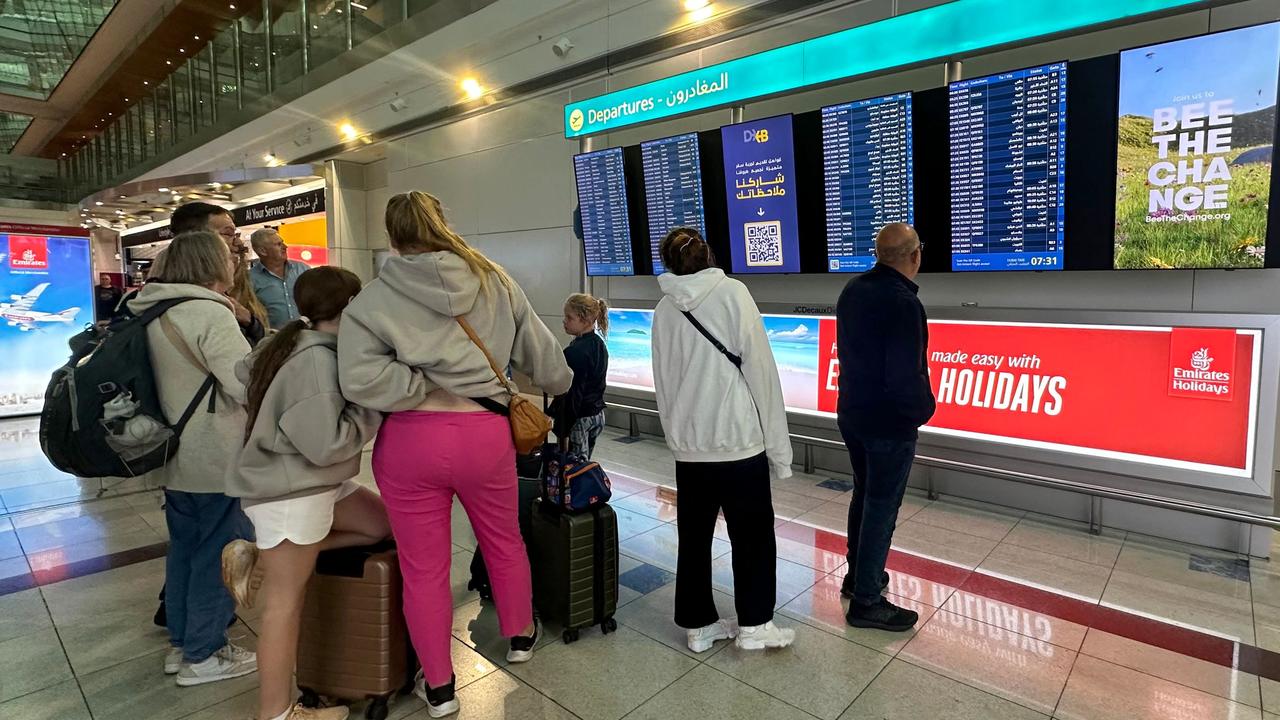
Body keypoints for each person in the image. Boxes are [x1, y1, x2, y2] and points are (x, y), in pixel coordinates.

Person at [338, 191, 572, 718]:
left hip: (408, 442)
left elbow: (358, 379)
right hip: (484, 436)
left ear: (392, 237)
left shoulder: (372, 299)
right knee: (504, 541)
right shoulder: (494, 280)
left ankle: (440, 688)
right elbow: (549, 365)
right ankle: (519, 636)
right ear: (442, 224)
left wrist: (420, 386)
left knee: (424, 568)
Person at [222, 266, 391, 720]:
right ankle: (277, 713)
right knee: (284, 606)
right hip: (292, 489)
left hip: (310, 483)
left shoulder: (291, 342)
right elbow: (325, 444)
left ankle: (263, 557)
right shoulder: (315, 360)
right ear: (353, 308)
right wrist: (371, 407)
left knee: (379, 524)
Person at [650, 226, 795, 654]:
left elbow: (663, 380)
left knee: (693, 537)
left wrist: (677, 435)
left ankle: (698, 626)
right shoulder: (733, 294)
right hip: (738, 443)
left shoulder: (664, 309)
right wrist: (780, 451)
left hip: (690, 448)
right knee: (751, 536)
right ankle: (755, 625)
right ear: (709, 255)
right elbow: (762, 375)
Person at [127, 231, 257, 686]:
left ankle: (183, 644)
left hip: (168, 453)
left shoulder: (148, 309)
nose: (235, 261)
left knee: (184, 549)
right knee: (222, 554)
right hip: (212, 454)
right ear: (211, 264)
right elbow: (246, 383)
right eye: (229, 255)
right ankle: (204, 655)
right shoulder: (208, 312)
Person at [836, 222, 936, 632]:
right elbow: (903, 376)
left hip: (853, 413)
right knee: (882, 505)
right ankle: (867, 601)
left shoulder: (853, 290)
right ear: (915, 256)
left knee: (865, 494)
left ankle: (859, 576)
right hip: (888, 423)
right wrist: (923, 410)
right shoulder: (903, 303)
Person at [171, 201, 268, 344]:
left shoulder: (232, 285)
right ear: (197, 240)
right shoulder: (197, 306)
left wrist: (251, 322)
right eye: (228, 234)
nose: (239, 243)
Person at [547, 293, 610, 458]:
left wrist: (563, 427)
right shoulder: (599, 345)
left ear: (585, 320)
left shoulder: (575, 352)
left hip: (580, 418)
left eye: (569, 317)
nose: (564, 321)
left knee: (574, 468)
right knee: (584, 465)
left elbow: (574, 392)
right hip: (596, 414)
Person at [248, 227, 310, 330]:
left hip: (306, 335)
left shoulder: (302, 269)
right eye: (278, 244)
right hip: (273, 341)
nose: (285, 247)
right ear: (263, 251)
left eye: (283, 243)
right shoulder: (250, 279)